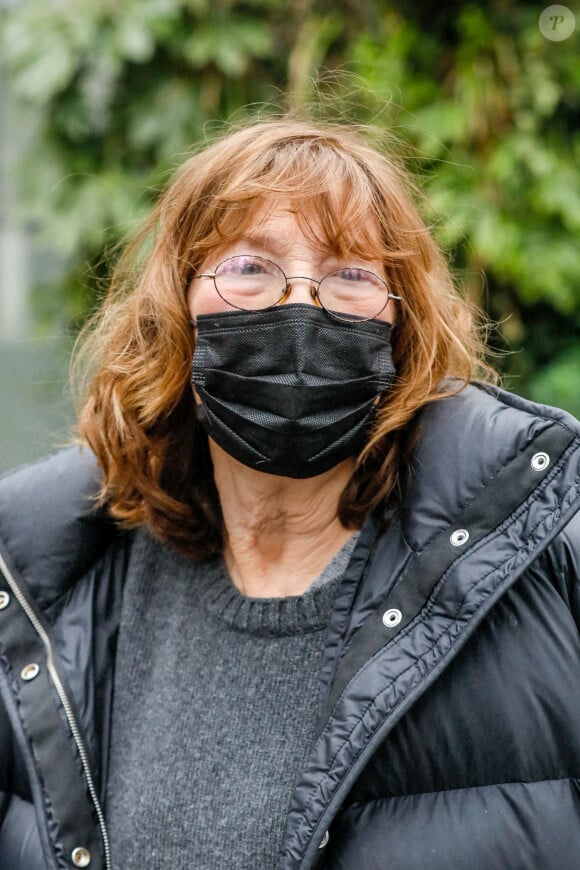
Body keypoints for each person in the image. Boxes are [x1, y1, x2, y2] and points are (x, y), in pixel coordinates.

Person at [0, 116, 579, 870]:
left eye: (351, 274)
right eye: (249, 267)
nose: (300, 308)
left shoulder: (543, 566)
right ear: (178, 305)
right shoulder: (41, 591)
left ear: (401, 327)